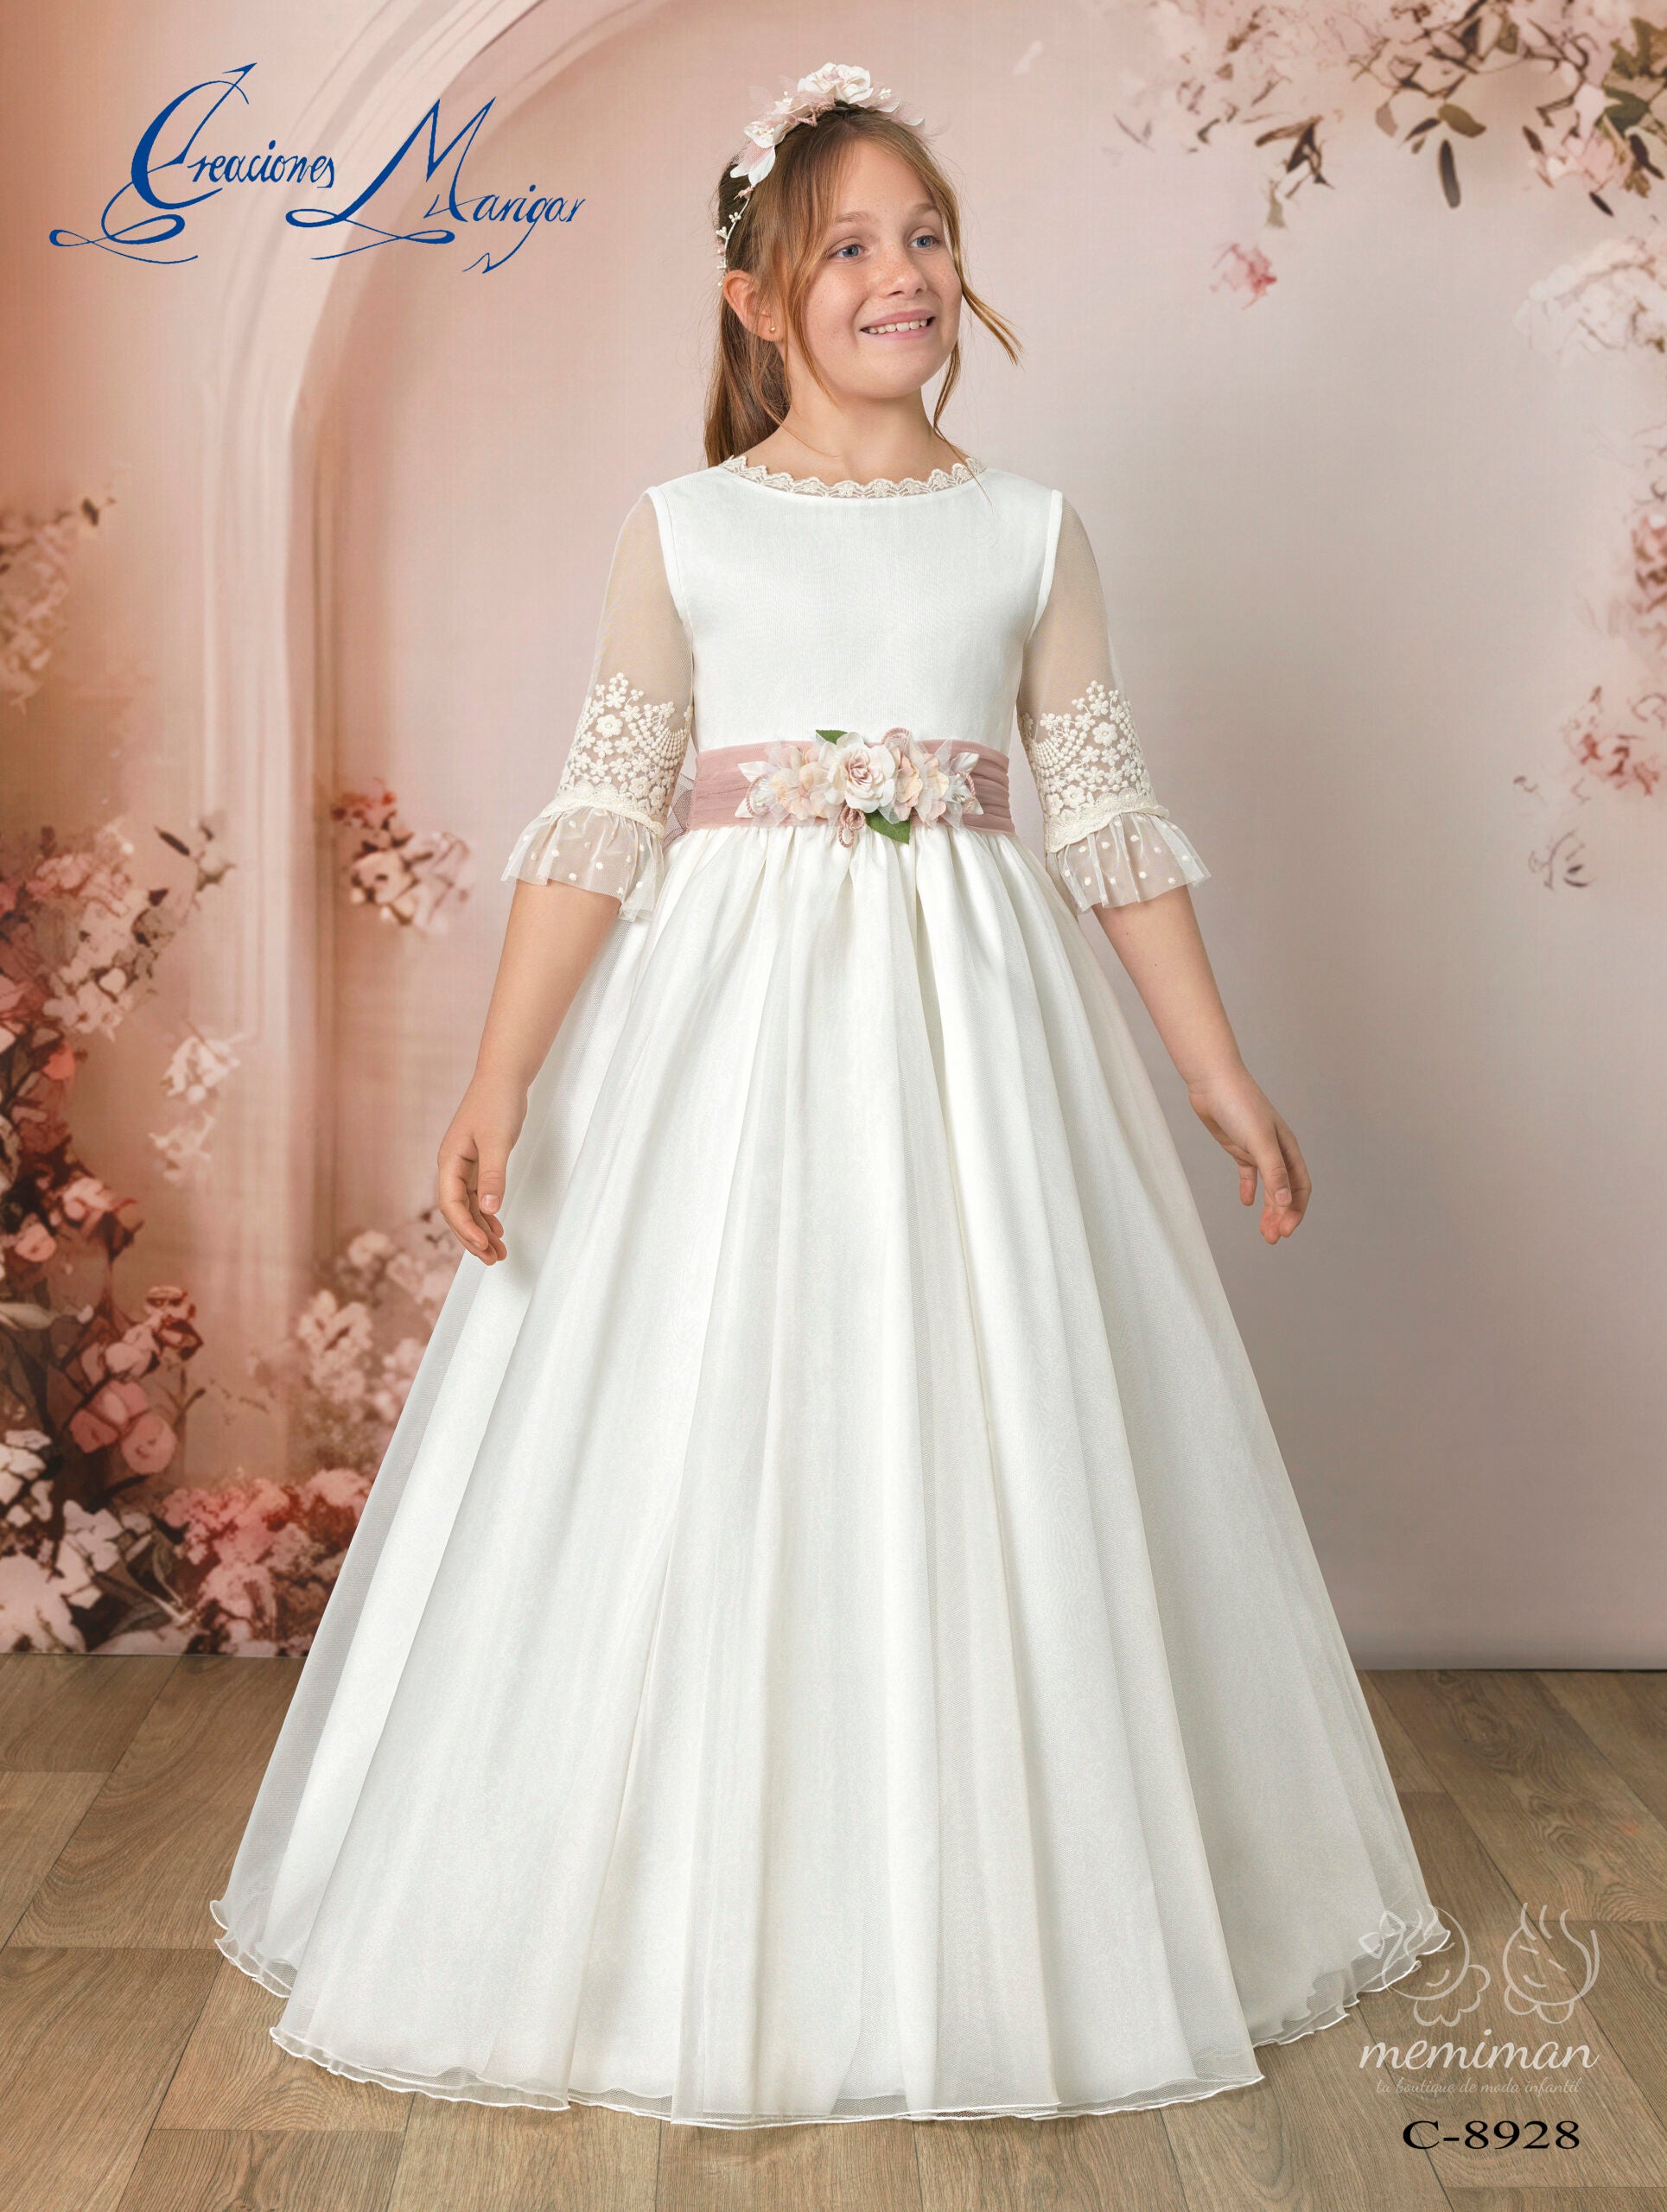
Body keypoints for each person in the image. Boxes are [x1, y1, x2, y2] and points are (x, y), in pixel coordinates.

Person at [210, 62, 1448, 2126]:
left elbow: (1104, 818)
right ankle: (663, 1913)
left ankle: (1005, 1902)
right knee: (704, 1407)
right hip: (723, 1043)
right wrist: (502, 1071)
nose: (899, 273)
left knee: (989, 1414)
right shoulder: (685, 530)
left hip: (977, 1052)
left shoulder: (1026, 531)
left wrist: (1215, 1071)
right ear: (754, 298)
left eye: (923, 235)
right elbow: (601, 814)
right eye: (846, 245)